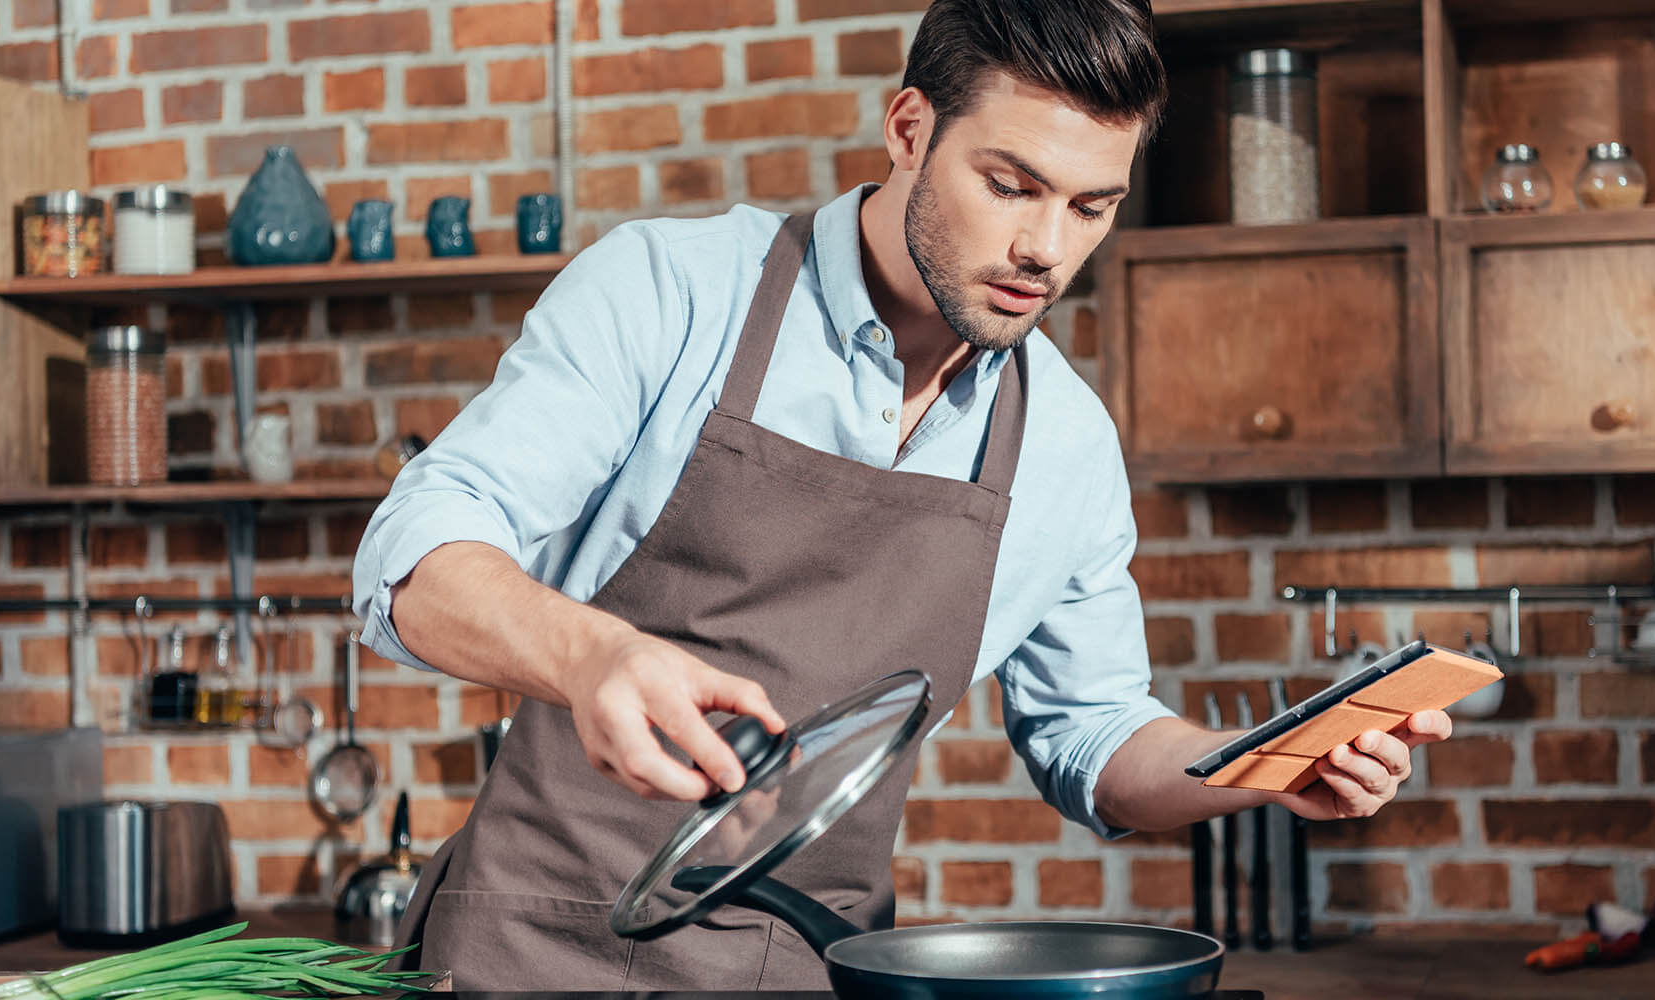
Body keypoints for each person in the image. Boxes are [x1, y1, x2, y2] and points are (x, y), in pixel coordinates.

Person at [352, 0, 1452, 989]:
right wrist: (591, 654)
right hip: (532, 949)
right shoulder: (673, 291)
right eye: (1010, 186)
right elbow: (414, 552)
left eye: (1090, 205)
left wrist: (1259, 768)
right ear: (910, 129)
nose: (1044, 249)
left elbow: (1096, 739)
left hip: (811, 970)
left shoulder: (1063, 439)